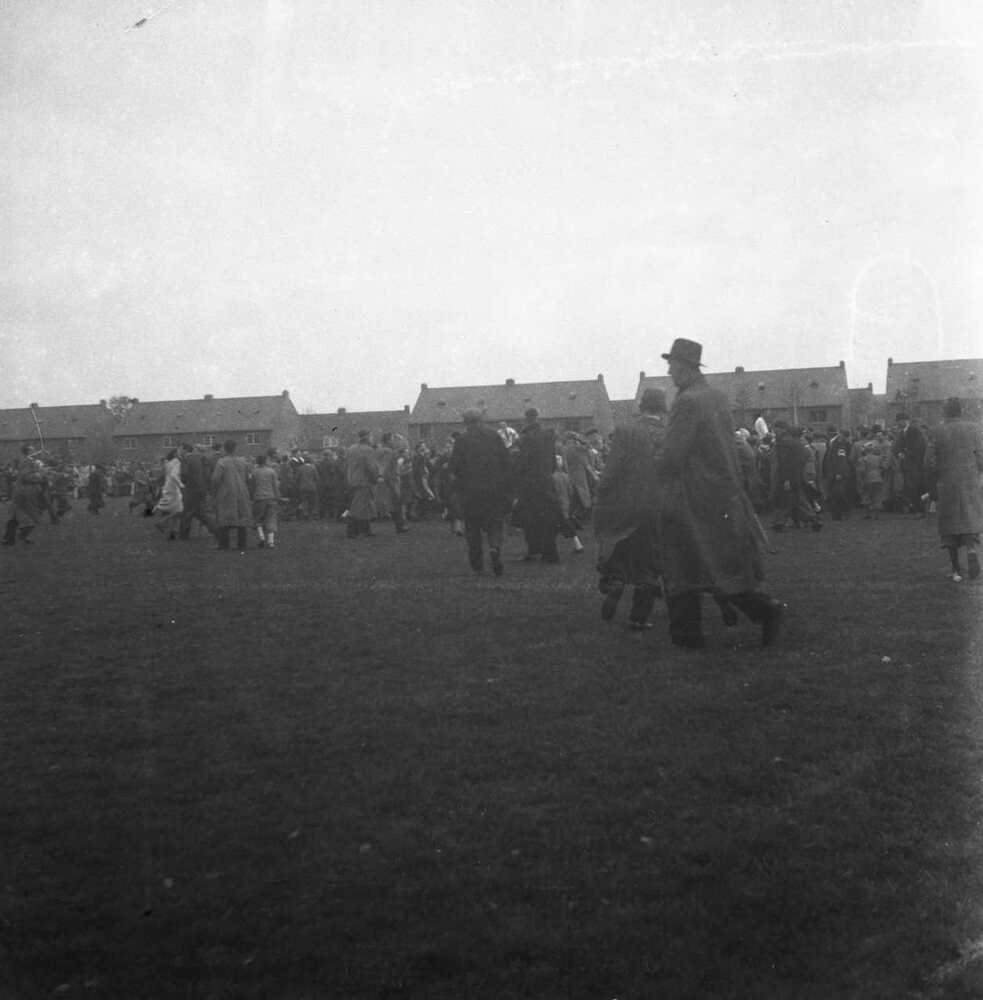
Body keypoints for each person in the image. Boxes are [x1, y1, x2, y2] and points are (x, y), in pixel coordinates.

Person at [656, 338, 786, 649]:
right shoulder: (715, 397)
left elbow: (672, 456)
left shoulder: (687, 402)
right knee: (720, 565)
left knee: (682, 563)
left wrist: (654, 465)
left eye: (672, 365)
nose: (669, 371)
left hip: (692, 495)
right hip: (721, 493)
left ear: (684, 367)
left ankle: (688, 637)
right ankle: (766, 610)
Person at [592, 387, 668, 631]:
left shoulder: (625, 430)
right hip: (655, 505)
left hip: (624, 503)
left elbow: (612, 467)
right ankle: (639, 617)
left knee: (619, 546)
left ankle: (615, 582)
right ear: (662, 408)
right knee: (649, 560)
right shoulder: (668, 434)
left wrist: (602, 491)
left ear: (642, 406)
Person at [448, 409, 513, 575]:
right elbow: (506, 461)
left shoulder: (462, 440)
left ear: (466, 422)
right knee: (495, 523)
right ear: (481, 420)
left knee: (473, 528)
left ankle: (477, 566)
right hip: (494, 489)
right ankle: (494, 548)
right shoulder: (494, 436)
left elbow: (454, 466)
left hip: (470, 491)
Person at [925, 397, 983, 582]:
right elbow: (981, 457)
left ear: (944, 412)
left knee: (949, 525)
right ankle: (972, 550)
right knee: (969, 518)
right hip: (970, 482)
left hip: (947, 482)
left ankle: (956, 569)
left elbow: (928, 462)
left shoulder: (936, 431)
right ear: (961, 411)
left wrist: (938, 473)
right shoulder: (974, 428)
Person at [513, 407, 560, 563]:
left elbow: (522, 463)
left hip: (530, 484)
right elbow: (553, 461)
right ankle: (550, 552)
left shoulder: (526, 439)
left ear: (526, 419)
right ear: (537, 418)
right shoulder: (548, 436)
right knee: (548, 517)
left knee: (530, 519)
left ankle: (534, 551)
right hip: (546, 481)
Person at [212, 439, 252, 551]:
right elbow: (248, 477)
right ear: (236, 448)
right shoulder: (243, 461)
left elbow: (215, 479)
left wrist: (214, 491)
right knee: (242, 518)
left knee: (224, 518)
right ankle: (242, 544)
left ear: (224, 449)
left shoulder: (221, 462)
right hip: (242, 492)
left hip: (226, 493)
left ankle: (224, 544)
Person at [345, 429, 380, 538]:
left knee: (365, 505)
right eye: (371, 436)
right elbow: (371, 467)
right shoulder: (368, 450)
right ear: (366, 437)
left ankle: (366, 529)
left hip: (352, 480)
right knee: (359, 506)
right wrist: (375, 478)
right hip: (364, 481)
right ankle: (352, 531)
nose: (372, 438)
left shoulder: (351, 449)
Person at [895, 412, 928, 516]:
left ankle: (920, 509)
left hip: (916, 464)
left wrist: (906, 453)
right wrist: (900, 453)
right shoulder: (902, 432)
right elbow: (897, 446)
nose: (898, 423)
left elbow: (919, 447)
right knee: (910, 487)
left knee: (917, 486)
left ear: (905, 421)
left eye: (899, 421)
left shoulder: (914, 431)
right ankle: (915, 508)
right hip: (907, 464)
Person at [178, 443, 214, 539]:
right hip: (201, 489)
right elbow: (207, 475)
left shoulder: (187, 459)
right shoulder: (202, 459)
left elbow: (184, 476)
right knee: (199, 513)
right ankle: (215, 529)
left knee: (189, 512)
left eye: (180, 449)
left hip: (192, 489)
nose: (179, 451)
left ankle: (183, 535)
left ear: (185, 450)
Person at [249, 452, 282, 549]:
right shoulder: (271, 471)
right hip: (271, 497)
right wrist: (278, 496)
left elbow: (252, 487)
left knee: (258, 519)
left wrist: (252, 497)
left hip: (259, 498)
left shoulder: (254, 472)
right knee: (271, 518)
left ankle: (261, 537)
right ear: (266, 461)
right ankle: (271, 542)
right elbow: (275, 486)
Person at [152, 449, 184, 539]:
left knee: (175, 511)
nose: (179, 453)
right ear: (175, 454)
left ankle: (172, 533)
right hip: (173, 488)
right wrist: (181, 484)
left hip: (168, 487)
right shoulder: (176, 462)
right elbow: (174, 475)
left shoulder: (168, 463)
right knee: (179, 511)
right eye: (178, 452)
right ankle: (161, 523)